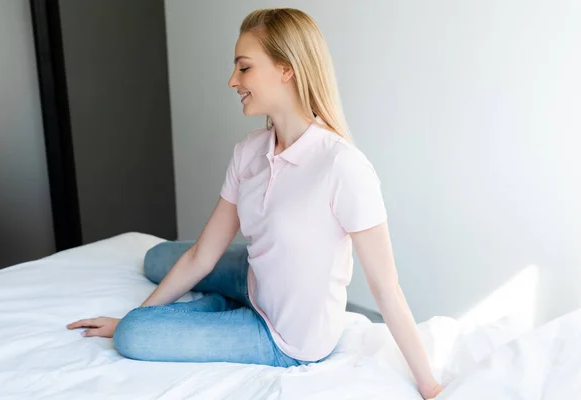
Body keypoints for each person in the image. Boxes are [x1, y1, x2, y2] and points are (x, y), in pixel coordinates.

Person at [67, 7, 444, 399]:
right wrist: (148, 304)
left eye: (244, 68)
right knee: (155, 259)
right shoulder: (249, 151)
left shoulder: (343, 166)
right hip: (255, 276)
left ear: (287, 69)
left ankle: (213, 307)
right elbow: (202, 254)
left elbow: (386, 288)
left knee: (132, 335)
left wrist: (430, 386)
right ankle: (223, 298)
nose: (233, 80)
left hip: (285, 337)